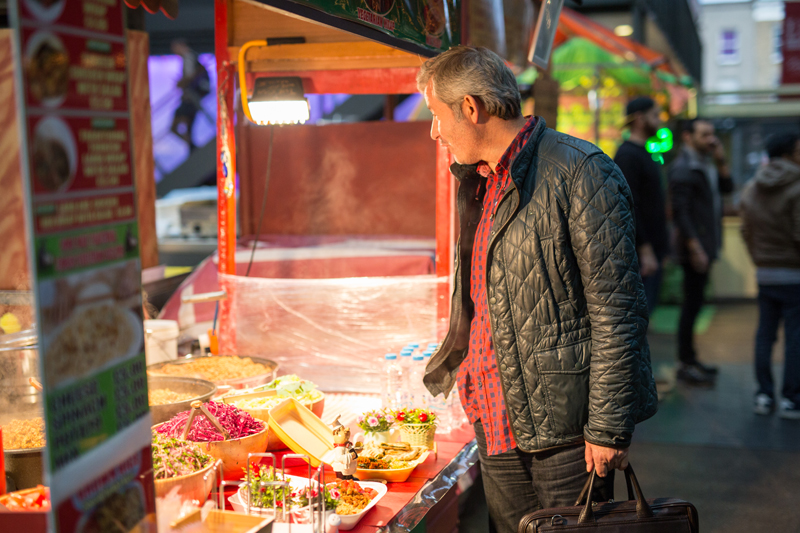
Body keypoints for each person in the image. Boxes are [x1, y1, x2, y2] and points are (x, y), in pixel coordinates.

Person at [419, 47, 658, 533]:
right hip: (495, 421)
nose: (433, 131)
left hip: (565, 435)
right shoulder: (480, 180)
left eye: (435, 115)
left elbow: (619, 311)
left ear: (470, 108)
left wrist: (609, 427)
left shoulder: (581, 170)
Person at [669, 119, 733, 386]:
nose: (711, 139)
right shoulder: (685, 168)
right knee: (691, 305)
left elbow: (728, 190)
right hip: (694, 248)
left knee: (695, 304)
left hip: (705, 245)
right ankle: (685, 363)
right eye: (704, 134)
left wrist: (721, 160)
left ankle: (691, 359)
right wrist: (695, 248)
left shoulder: (704, 164)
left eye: (712, 134)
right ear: (688, 137)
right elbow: (680, 213)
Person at [740, 133, 800, 419]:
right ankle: (791, 399)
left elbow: (745, 231)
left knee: (764, 335)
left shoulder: (753, 186)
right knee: (795, 338)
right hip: (794, 274)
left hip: (765, 273)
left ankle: (764, 395)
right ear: (790, 152)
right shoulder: (798, 185)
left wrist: (759, 259)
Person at [614, 97, 670, 316]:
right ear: (639, 119)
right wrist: (644, 248)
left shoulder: (643, 153)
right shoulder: (628, 156)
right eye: (655, 115)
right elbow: (628, 204)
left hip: (650, 251)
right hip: (640, 255)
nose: (660, 122)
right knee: (637, 321)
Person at [170, 40, 210, 151]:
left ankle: (191, 147)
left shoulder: (189, 58)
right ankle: (191, 147)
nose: (174, 51)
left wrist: (181, 83)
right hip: (192, 97)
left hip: (191, 97)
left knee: (181, 125)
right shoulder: (192, 58)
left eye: (175, 48)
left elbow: (189, 77)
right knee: (185, 126)